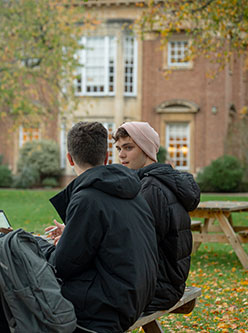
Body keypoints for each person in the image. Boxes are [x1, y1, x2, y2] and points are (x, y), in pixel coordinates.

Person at [44, 121, 159, 332]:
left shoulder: (87, 198)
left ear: (69, 158)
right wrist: (69, 236)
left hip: (109, 306)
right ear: (106, 158)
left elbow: (62, 265)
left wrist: (54, 248)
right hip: (138, 294)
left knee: (14, 292)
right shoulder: (133, 191)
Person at [113, 121, 200, 313]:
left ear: (145, 149)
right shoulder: (155, 182)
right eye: (119, 148)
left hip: (157, 289)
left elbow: (134, 246)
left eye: (128, 148)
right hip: (165, 283)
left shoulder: (151, 188)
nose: (121, 155)